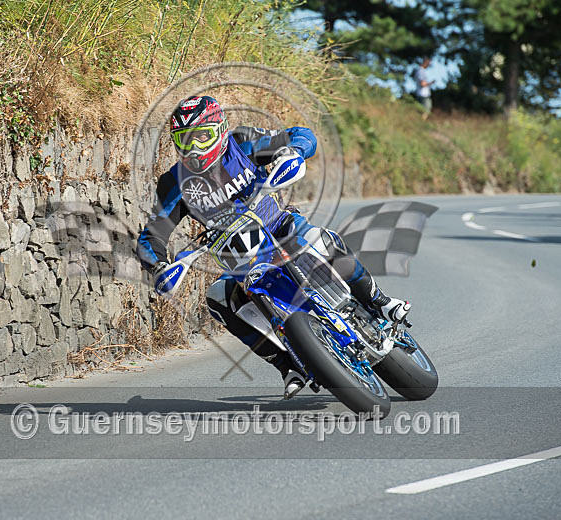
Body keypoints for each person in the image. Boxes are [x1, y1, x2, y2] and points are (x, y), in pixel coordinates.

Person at [137, 96, 411, 399]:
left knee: (322, 239)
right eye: (185, 139)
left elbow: (301, 135)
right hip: (240, 260)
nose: (195, 146)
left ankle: (377, 299)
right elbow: (152, 236)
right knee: (218, 298)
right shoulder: (174, 183)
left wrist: (291, 152)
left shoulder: (243, 143)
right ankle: (288, 365)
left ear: (221, 129)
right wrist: (159, 264)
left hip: (279, 226)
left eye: (203, 136)